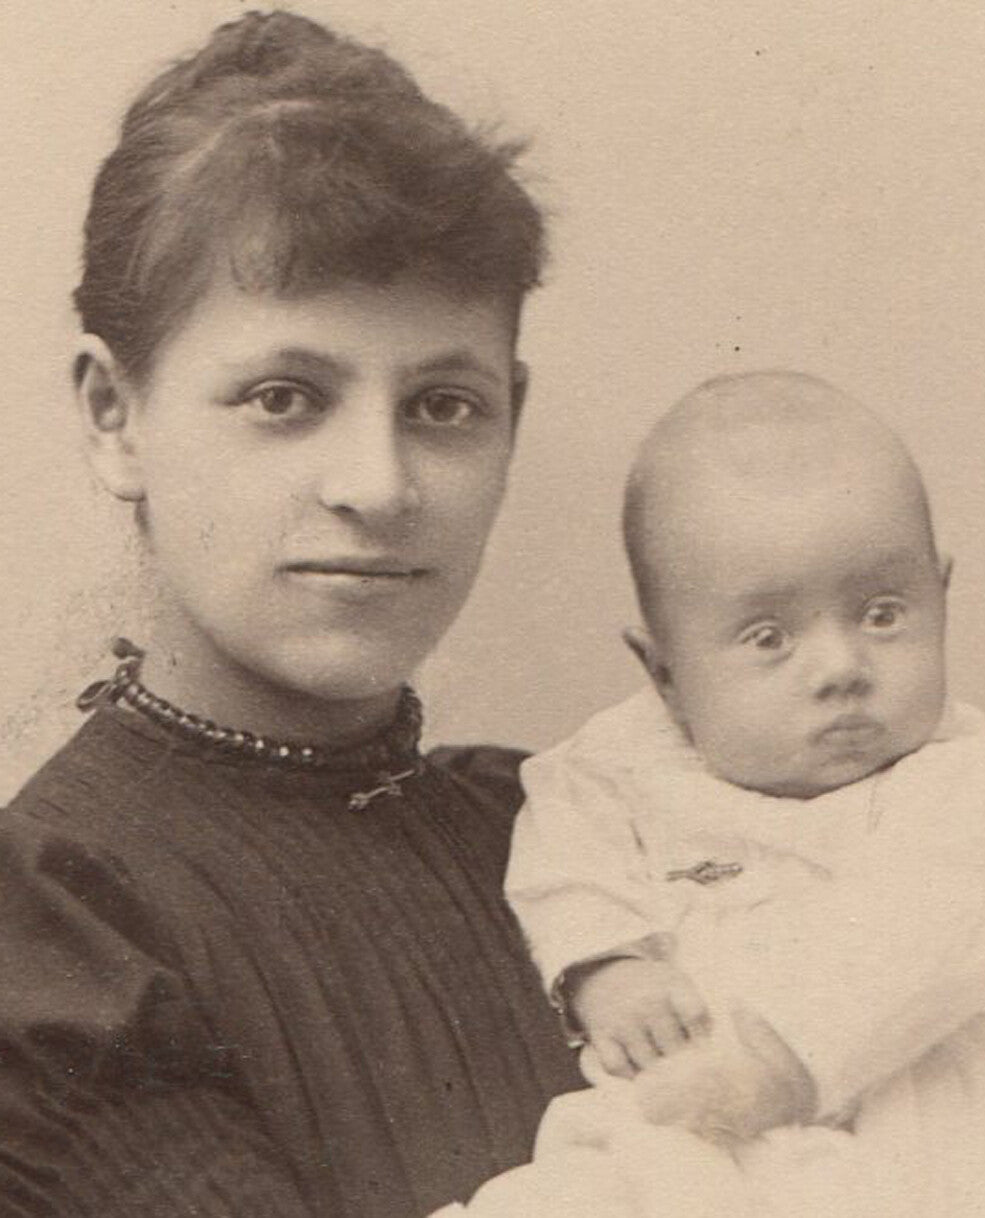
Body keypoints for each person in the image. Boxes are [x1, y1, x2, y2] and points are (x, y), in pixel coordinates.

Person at [0, 11, 583, 1216]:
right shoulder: (57, 925)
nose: (378, 484)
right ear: (116, 414)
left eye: (443, 405)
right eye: (285, 396)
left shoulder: (566, 830)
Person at [449, 372, 985, 1216]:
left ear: (940, 596)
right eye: (769, 638)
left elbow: (938, 938)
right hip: (697, 1119)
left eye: (883, 613)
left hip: (933, 1119)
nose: (842, 667)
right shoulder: (614, 768)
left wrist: (784, 1063)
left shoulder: (963, 780)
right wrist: (605, 965)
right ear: (664, 672)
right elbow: (564, 860)